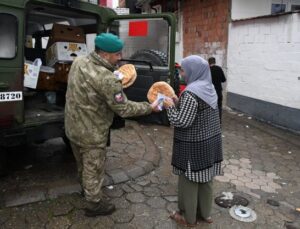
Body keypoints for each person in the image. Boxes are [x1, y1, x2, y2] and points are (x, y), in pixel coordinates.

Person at [64, 33, 160, 217]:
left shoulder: (79, 62)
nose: (119, 58)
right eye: (117, 54)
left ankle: (85, 189)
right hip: (92, 133)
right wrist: (150, 107)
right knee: (94, 168)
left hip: (72, 126)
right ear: (105, 54)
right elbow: (123, 109)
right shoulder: (108, 79)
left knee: (82, 164)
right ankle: (94, 204)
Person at [164, 55, 223, 227]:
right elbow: (198, 112)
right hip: (211, 142)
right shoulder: (208, 87)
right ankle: (205, 214)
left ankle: (188, 218)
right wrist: (177, 101)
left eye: (183, 69)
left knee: (189, 181)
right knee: (206, 179)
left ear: (193, 70)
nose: (181, 72)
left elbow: (182, 121)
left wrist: (169, 107)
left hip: (194, 145)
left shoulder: (191, 92)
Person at [208, 57, 226, 123]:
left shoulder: (208, 70)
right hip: (218, 91)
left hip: (210, 92)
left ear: (209, 62)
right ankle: (219, 121)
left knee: (210, 107)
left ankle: (211, 122)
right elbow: (224, 80)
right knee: (219, 106)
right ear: (215, 62)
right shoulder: (219, 69)